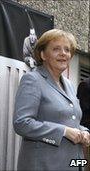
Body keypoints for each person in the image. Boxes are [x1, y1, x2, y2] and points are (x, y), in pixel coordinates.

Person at [13, 29, 90, 170]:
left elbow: (71, 121)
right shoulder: (32, 80)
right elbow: (22, 123)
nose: (63, 53)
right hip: (43, 166)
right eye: (56, 49)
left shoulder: (69, 84)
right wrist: (63, 131)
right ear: (42, 54)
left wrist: (84, 132)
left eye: (67, 50)